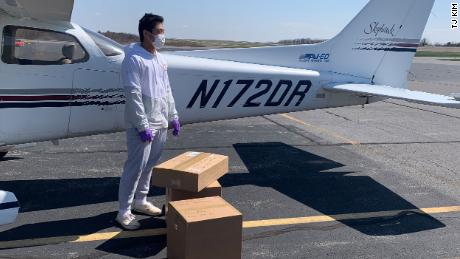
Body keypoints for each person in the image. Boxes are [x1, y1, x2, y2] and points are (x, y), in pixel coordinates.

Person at [116, 13, 180, 230]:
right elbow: (133, 94)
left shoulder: (160, 59)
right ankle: (124, 211)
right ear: (146, 33)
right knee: (134, 167)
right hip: (142, 125)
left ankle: (140, 201)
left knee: (150, 165)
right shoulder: (134, 58)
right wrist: (142, 125)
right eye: (160, 31)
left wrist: (173, 116)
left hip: (160, 121)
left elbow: (167, 90)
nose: (163, 35)